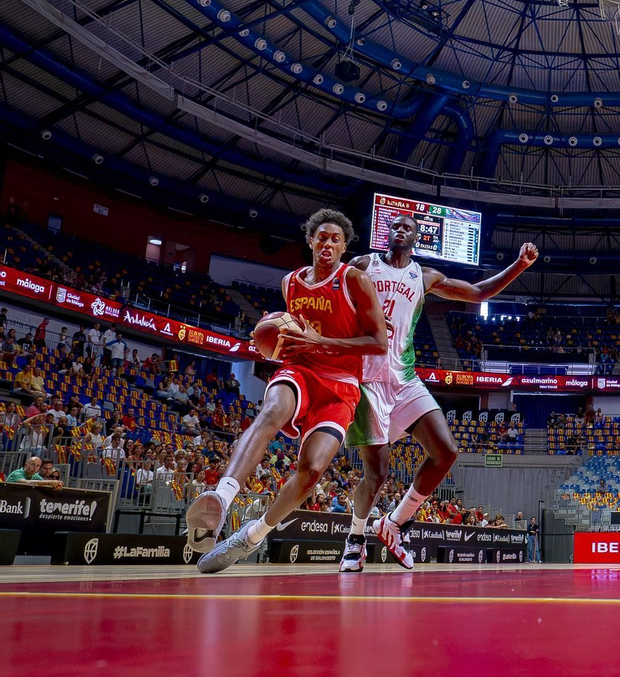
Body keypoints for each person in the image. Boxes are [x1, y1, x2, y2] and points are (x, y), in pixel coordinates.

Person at [187, 208, 390, 573]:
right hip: (301, 370)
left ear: (344, 247)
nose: (327, 243)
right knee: (271, 412)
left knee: (311, 471)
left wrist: (321, 338)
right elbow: (288, 331)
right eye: (321, 237)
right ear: (310, 241)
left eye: (335, 239)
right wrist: (273, 336)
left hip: (342, 386)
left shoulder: (355, 280)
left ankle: (251, 536)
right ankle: (222, 496)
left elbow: (379, 343)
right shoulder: (291, 282)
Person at [340, 213, 540, 572]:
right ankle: (355, 539)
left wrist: (518, 265)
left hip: (404, 378)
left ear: (416, 238)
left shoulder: (424, 276)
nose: (400, 230)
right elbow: (336, 303)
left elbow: (479, 292)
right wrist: (360, 321)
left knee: (446, 451)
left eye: (408, 228)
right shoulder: (362, 265)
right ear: (386, 234)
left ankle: (394, 523)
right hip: (366, 380)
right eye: (395, 226)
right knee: (378, 473)